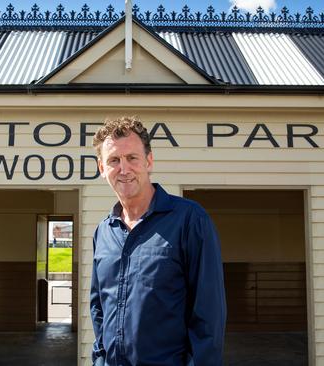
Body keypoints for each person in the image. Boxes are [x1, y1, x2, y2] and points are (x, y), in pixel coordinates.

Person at [90, 116, 226, 366]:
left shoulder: (189, 220)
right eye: (113, 160)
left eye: (132, 158)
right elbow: (99, 307)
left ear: (149, 161)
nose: (124, 169)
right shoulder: (103, 232)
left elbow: (209, 315)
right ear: (101, 168)